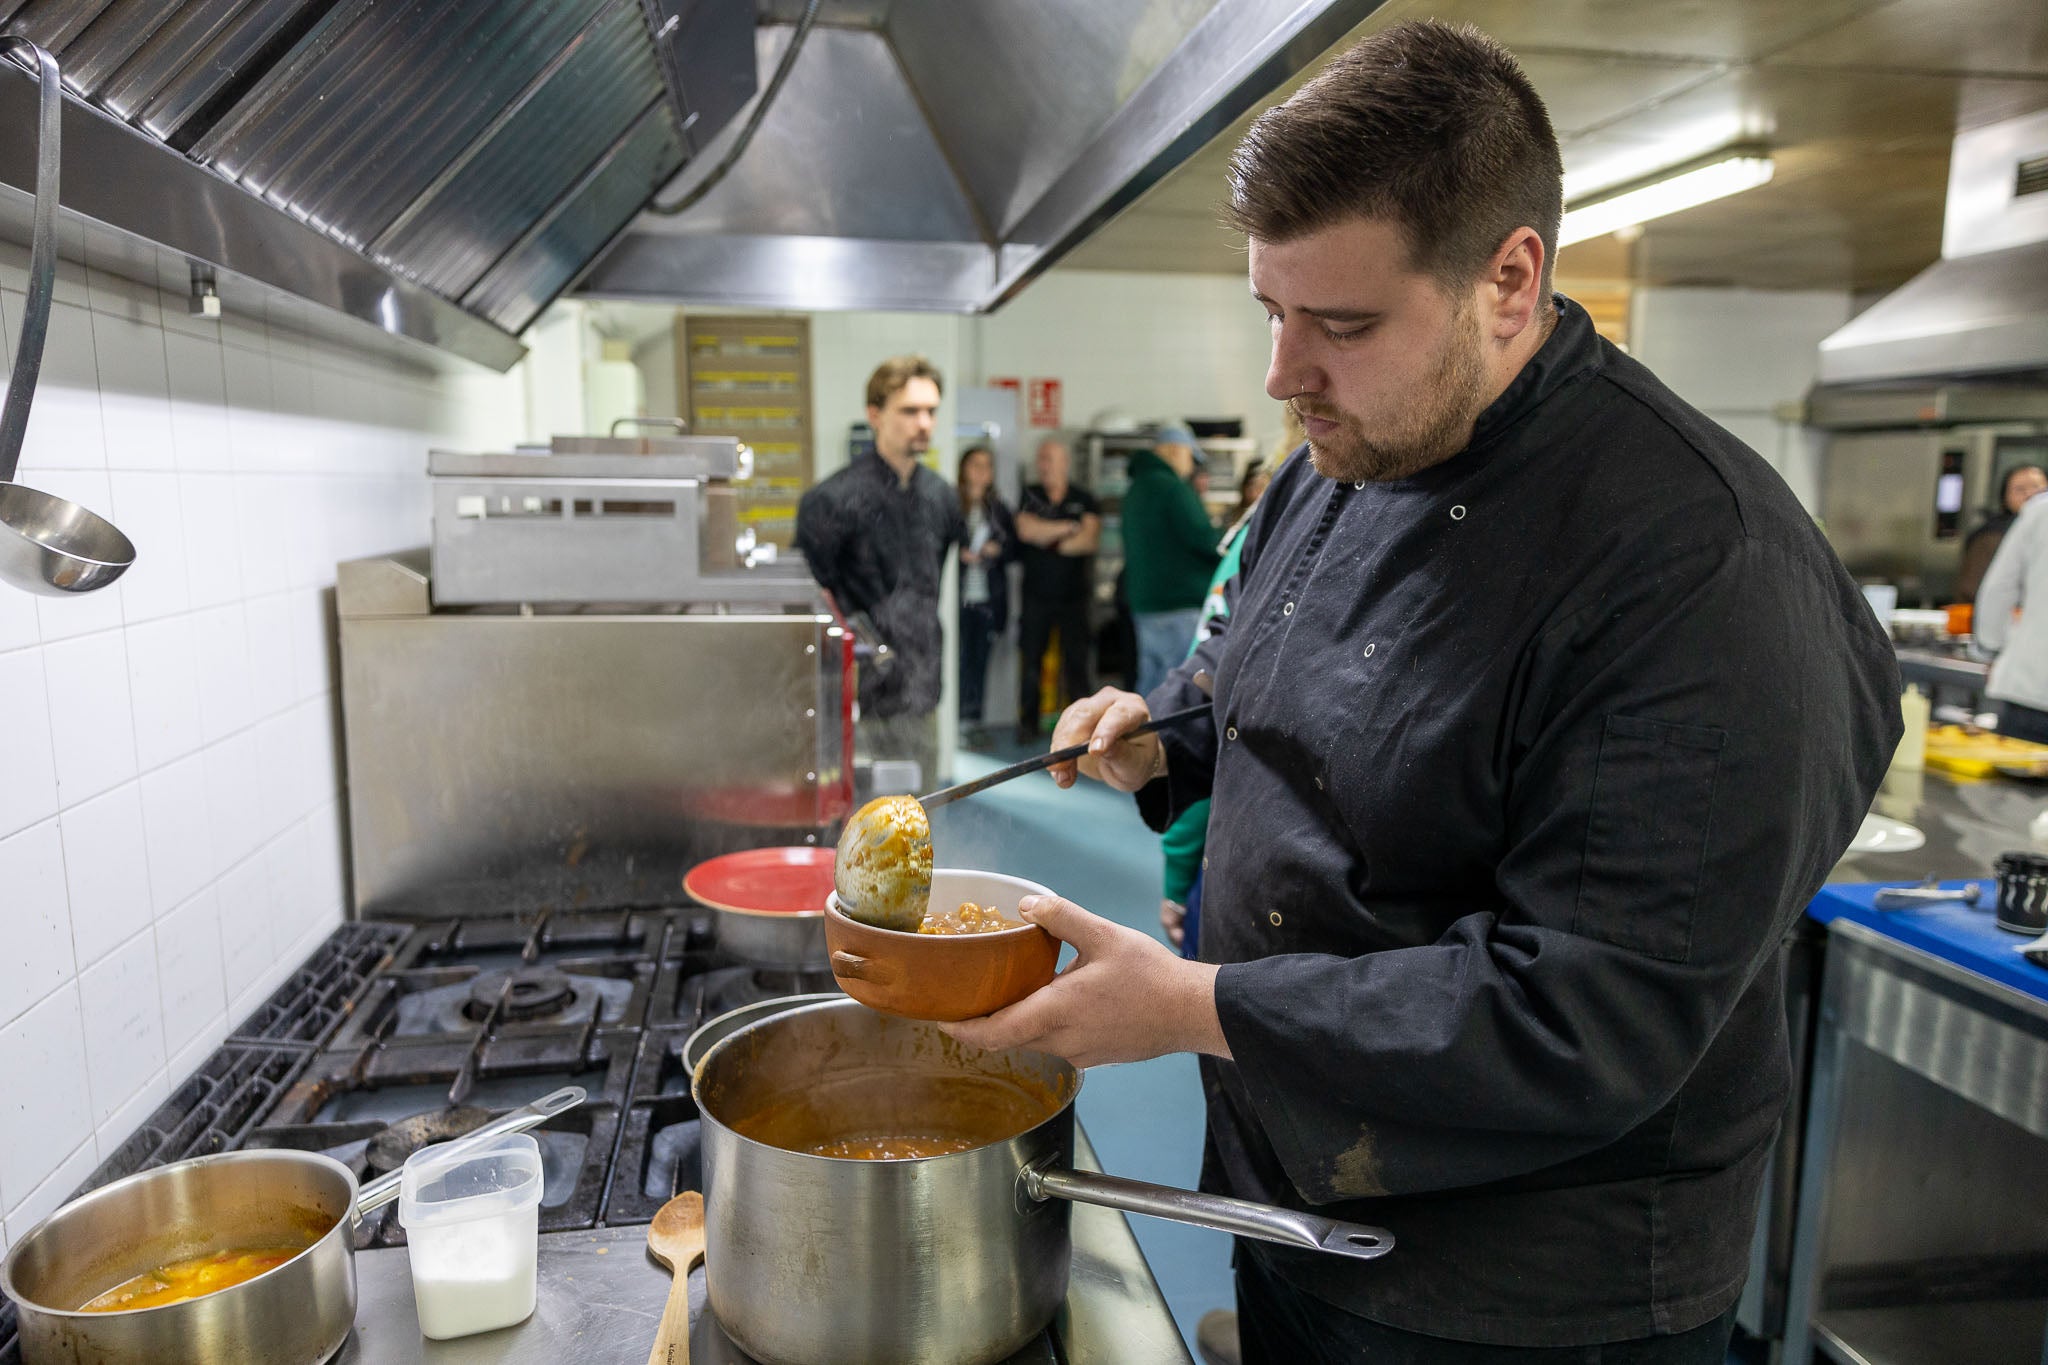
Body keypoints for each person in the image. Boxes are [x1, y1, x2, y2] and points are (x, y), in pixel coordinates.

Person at [943, 21, 1899, 1364]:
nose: (1285, 375)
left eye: (1339, 324)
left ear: (1511, 279)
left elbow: (1582, 1013)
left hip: (1516, 1293)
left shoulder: (1696, 567)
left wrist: (1190, 1004)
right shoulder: (1353, 449)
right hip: (1294, 1187)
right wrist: (1169, 730)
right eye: (1272, 314)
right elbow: (1273, 669)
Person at [794, 356, 962, 788]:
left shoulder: (941, 499)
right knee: (861, 834)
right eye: (909, 411)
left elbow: (930, 589)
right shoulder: (830, 501)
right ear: (875, 415)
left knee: (917, 823)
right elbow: (811, 601)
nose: (923, 422)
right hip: (855, 701)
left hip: (921, 692)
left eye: (931, 411)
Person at [1159, 445, 1285, 960]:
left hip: (1245, 865)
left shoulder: (1265, 531)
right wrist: (1157, 739)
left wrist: (1177, 867)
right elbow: (1213, 701)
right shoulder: (1275, 529)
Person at [1123, 422, 1224, 696]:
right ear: (1176, 451)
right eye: (1191, 458)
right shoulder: (1172, 488)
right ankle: (1166, 741)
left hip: (1145, 605)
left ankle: (1141, 738)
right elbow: (1207, 540)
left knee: (1150, 683)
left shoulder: (1136, 488)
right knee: (1176, 690)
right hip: (1178, 605)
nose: (1192, 468)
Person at [1014, 438, 1101, 742]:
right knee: (1031, 662)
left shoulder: (1085, 498)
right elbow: (1025, 530)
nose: (1044, 466)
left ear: (1065, 462)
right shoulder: (1030, 496)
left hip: (1073, 597)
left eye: (1050, 459)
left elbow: (1088, 541)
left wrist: (1045, 536)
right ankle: (1028, 725)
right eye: (1041, 459)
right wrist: (1066, 529)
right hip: (1036, 596)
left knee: (1076, 663)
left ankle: (1082, 730)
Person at [1973, 477, 2048, 742]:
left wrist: (1991, 649)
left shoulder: (2040, 511)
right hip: (2034, 691)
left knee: (2016, 784)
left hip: (2034, 692)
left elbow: (1999, 588)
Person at [955, 444, 1016, 741]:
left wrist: (997, 550)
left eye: (987, 466)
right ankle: (955, 721)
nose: (981, 471)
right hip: (958, 598)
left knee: (979, 661)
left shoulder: (998, 509)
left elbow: (1015, 549)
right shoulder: (953, 505)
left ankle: (973, 719)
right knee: (958, 660)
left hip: (988, 598)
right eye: (975, 464)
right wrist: (959, 555)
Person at [1955, 463, 2048, 605]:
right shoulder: (1990, 536)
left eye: (2037, 487)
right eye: (2020, 489)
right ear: (2006, 497)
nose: (2030, 494)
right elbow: (1973, 589)